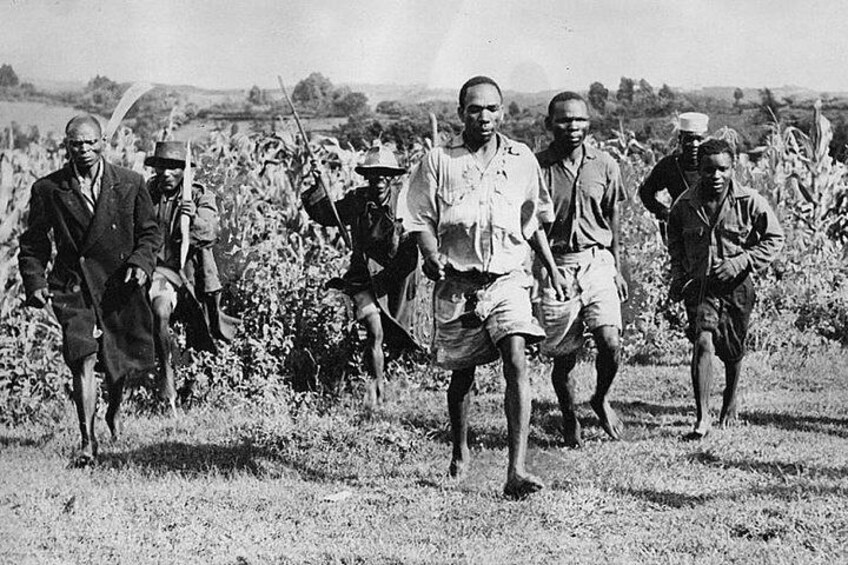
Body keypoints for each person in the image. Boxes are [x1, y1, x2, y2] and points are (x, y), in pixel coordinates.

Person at [407, 76, 565, 499]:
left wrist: (550, 268)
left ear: (503, 112)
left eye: (493, 109)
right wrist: (429, 254)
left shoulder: (521, 159)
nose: (485, 117)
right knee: (462, 376)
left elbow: (532, 222)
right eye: (475, 109)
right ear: (461, 113)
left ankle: (516, 469)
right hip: (458, 284)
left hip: (509, 279)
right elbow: (419, 218)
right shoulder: (439, 160)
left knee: (516, 356)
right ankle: (460, 448)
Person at [18, 114, 161, 464]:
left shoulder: (130, 183)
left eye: (89, 142)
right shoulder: (49, 189)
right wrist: (35, 282)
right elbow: (34, 243)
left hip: (118, 282)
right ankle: (88, 442)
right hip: (73, 284)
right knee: (82, 356)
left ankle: (113, 409)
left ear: (103, 143)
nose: (83, 149)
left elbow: (149, 234)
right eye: (75, 143)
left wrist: (140, 265)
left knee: (117, 361)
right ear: (66, 146)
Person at [667, 138, 783, 439]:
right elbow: (676, 246)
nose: (715, 176)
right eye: (708, 170)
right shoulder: (684, 205)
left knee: (731, 350)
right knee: (702, 342)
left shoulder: (750, 201)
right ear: (700, 169)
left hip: (737, 287)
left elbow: (774, 238)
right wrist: (678, 277)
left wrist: (742, 260)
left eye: (722, 169)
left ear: (733, 168)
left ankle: (729, 401)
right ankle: (702, 417)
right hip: (701, 286)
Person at [534, 91, 629, 448]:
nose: (572, 126)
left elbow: (613, 215)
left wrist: (617, 267)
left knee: (610, 341)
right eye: (563, 119)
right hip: (556, 264)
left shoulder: (605, 164)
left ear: (589, 123)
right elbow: (531, 225)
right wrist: (540, 272)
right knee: (564, 356)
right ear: (549, 124)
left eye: (579, 119)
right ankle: (569, 414)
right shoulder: (538, 167)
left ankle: (600, 397)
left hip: (597, 260)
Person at [302, 144, 419, 408]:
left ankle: (395, 377)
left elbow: (418, 237)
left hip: (395, 278)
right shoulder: (357, 200)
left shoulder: (405, 200)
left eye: (383, 175)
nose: (378, 180)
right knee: (374, 331)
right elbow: (326, 215)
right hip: (364, 276)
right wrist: (318, 184)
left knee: (396, 334)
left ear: (391, 177)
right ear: (367, 177)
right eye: (373, 175)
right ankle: (376, 392)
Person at [145, 140, 232, 413]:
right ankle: (166, 378)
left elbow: (209, 234)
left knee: (201, 335)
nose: (167, 174)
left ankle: (191, 389)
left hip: (193, 277)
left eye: (174, 168)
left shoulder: (199, 195)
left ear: (184, 170)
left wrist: (192, 218)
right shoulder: (148, 192)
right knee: (159, 311)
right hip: (162, 271)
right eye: (162, 167)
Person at [639, 112, 709, 228]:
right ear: (680, 139)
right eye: (689, 139)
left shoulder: (713, 165)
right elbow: (646, 191)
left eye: (699, 139)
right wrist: (662, 211)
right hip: (680, 229)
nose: (694, 144)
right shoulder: (669, 166)